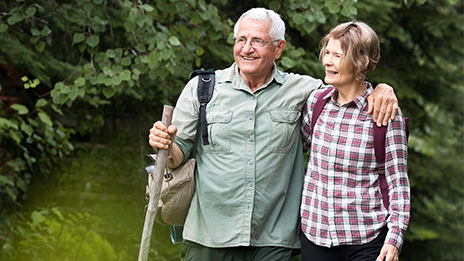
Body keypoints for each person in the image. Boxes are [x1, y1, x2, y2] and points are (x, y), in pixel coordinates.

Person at [149, 8, 398, 261]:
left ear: (279, 48)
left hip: (272, 241)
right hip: (208, 236)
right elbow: (177, 152)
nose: (247, 49)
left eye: (257, 41)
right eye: (241, 40)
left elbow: (348, 87)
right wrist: (165, 145)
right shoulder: (202, 89)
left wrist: (381, 88)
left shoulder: (305, 91)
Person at [299, 21, 410, 261]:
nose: (327, 61)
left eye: (337, 55)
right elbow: (294, 149)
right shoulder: (316, 103)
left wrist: (394, 239)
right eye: (326, 53)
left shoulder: (385, 115)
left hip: (366, 241)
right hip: (314, 235)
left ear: (361, 62)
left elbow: (398, 183)